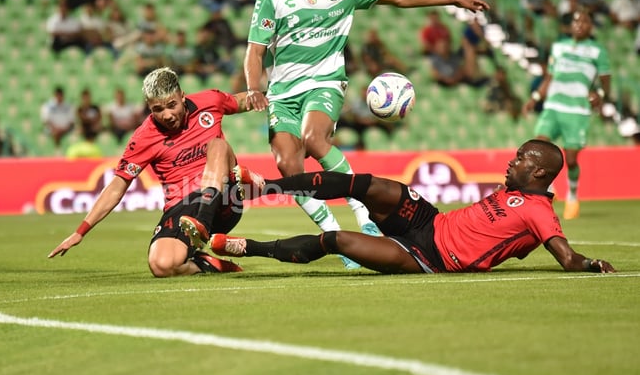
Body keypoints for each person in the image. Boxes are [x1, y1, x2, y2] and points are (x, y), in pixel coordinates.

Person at [242, 0, 490, 268]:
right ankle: (332, 232)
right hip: (283, 93)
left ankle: (363, 212)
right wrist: (255, 88)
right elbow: (255, 52)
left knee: (314, 139)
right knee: (287, 166)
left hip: (325, 82)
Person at [208, 140, 615, 275]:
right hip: (430, 221)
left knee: (335, 240)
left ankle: (249, 247)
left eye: (522, 158)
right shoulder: (514, 192)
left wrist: (590, 264)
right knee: (367, 185)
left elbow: (565, 256)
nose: (512, 160)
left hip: (428, 256)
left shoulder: (540, 212)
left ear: (541, 171)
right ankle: (263, 185)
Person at [48, 67, 253, 277]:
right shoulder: (144, 138)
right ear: (149, 107)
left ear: (182, 96)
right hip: (182, 206)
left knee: (218, 145)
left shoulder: (210, 101)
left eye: (172, 105)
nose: (167, 115)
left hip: (224, 199)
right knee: (161, 265)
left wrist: (281, 95)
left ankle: (204, 220)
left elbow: (245, 100)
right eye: (158, 109)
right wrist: (80, 231)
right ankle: (207, 264)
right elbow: (117, 186)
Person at [522, 10, 611, 220]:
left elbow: (606, 82)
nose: (580, 24)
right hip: (553, 107)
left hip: (577, 111)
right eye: (577, 21)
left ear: (591, 27)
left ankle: (572, 194)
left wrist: (599, 94)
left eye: (585, 21)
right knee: (538, 145)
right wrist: (535, 97)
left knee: (570, 160)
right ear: (571, 26)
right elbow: (549, 78)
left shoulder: (598, 51)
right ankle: (547, 191)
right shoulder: (559, 47)